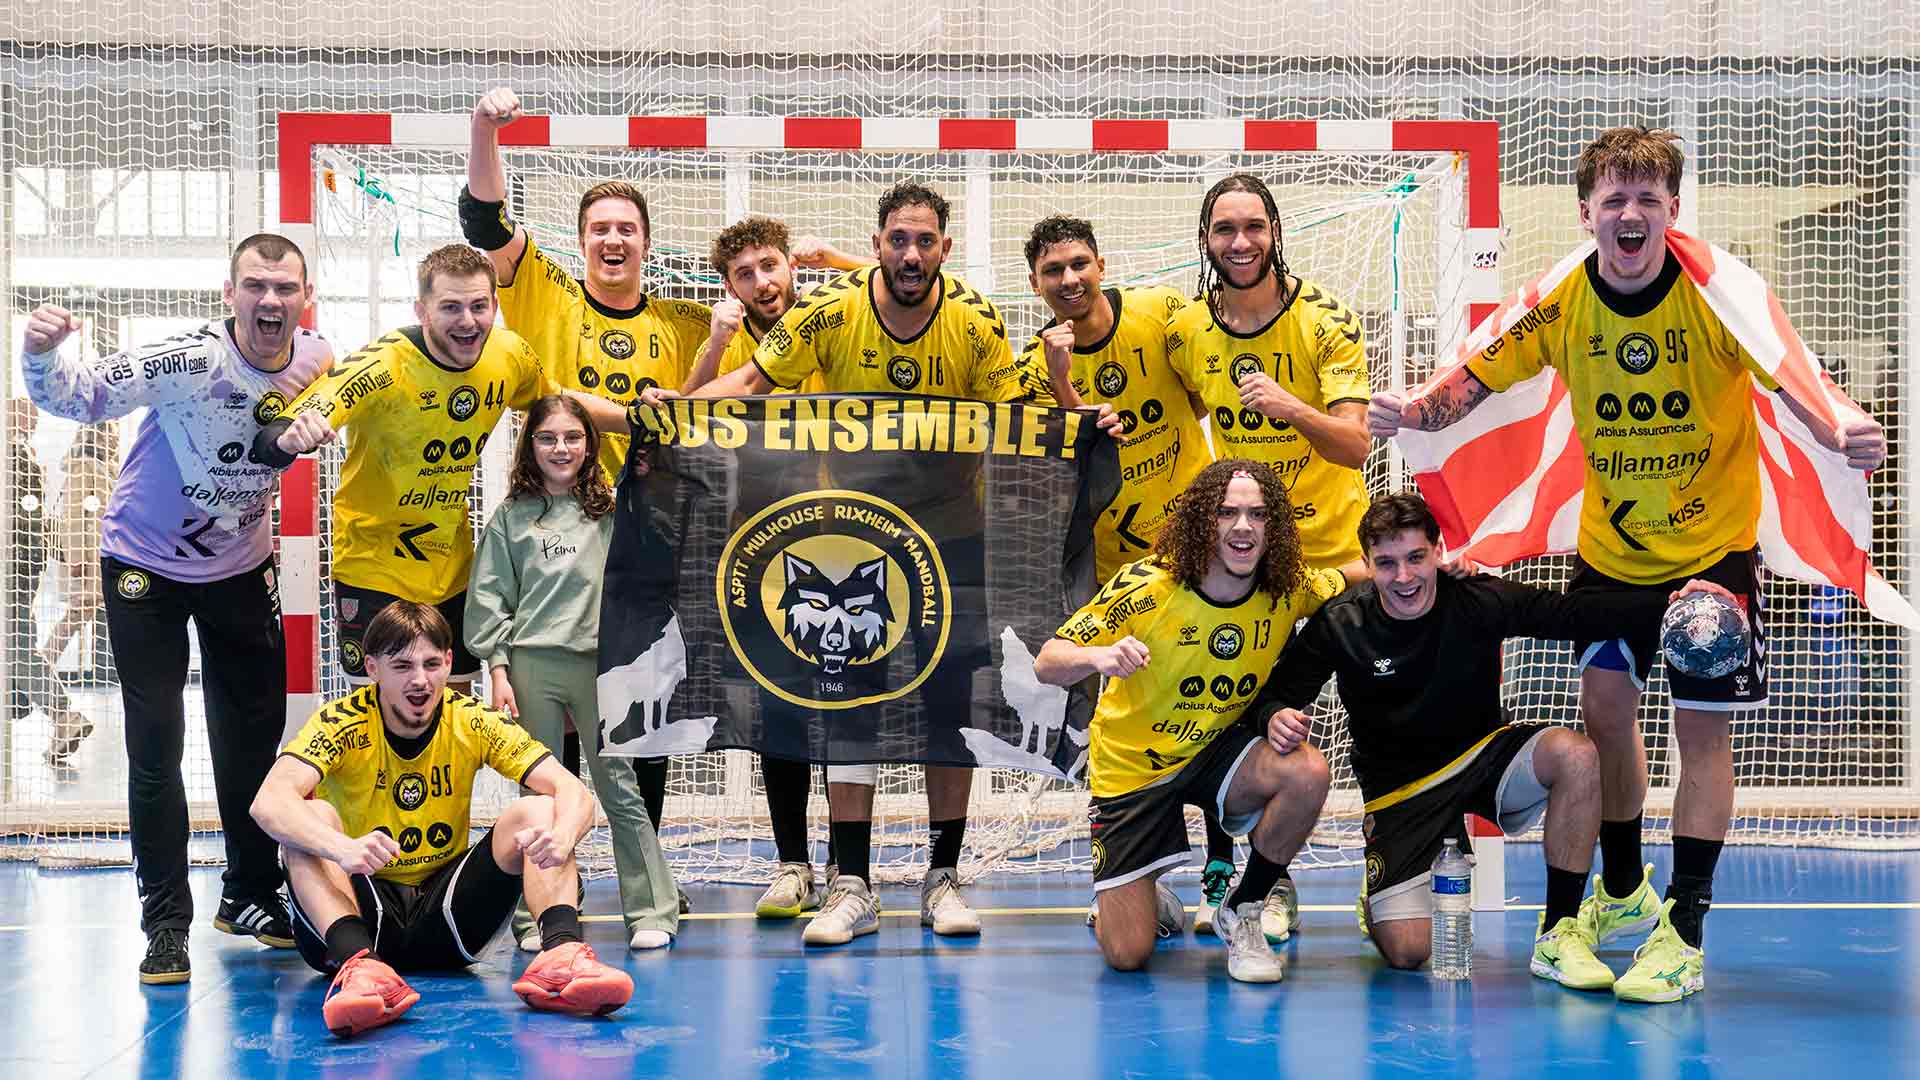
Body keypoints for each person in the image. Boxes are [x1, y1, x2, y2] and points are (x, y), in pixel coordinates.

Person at [1366, 126, 1888, 1002]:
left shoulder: (1716, 299)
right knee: (1605, 716)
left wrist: (1838, 429)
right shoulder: (1563, 301)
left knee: (1700, 736)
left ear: (1672, 211)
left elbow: (1788, 382)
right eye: (1615, 198)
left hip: (1710, 563)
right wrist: (1416, 409)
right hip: (1612, 557)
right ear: (1588, 215)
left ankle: (1683, 928)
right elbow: (1479, 379)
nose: (1632, 213)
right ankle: (1618, 890)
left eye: (1649, 198)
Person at [677, 181, 1075, 947]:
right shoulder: (829, 312)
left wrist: (1077, 421)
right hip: (853, 537)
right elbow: (756, 381)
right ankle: (852, 883)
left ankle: (944, 875)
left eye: (925, 241)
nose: (911, 254)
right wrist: (678, 409)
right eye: (898, 239)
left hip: (953, 540)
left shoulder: (973, 319)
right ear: (879, 241)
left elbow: (1013, 416)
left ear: (944, 250)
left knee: (949, 710)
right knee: (847, 706)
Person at [1253, 492, 1732, 990]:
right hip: (1402, 793)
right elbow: (1280, 692)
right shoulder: (1343, 622)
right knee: (1408, 952)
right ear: (1368, 566)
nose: (1404, 577)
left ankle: (1558, 932)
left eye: (1416, 558)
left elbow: (1572, 614)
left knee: (1577, 755)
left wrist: (1676, 601)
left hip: (1484, 761)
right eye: (1387, 564)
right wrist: (1274, 716)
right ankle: (1383, 887)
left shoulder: (1476, 599)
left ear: (1438, 552)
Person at [19, 233, 335, 984]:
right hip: (143, 569)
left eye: (285, 288)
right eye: (255, 285)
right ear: (230, 295)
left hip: (240, 570)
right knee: (155, 745)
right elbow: (78, 394)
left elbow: (342, 408)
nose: (270, 300)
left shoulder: (319, 361)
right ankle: (164, 923)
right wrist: (37, 353)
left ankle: (250, 895)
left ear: (304, 298)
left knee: (254, 739)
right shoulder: (188, 359)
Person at [250, 601, 632, 1037]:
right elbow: (268, 801)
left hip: (447, 919)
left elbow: (573, 791)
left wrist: (563, 836)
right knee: (310, 816)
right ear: (372, 668)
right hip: (359, 916)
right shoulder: (342, 722)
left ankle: (561, 954)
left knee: (541, 810)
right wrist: (344, 849)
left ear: (449, 663)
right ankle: (360, 968)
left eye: (433, 664)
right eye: (402, 666)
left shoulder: (468, 718)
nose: (420, 680)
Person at [1032, 458, 1345, 983]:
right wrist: (1100, 657)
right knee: (1126, 955)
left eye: (1257, 515)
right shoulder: (1149, 585)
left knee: (1307, 771)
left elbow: (1356, 577)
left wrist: (1442, 567)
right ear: (1204, 520)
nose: (1243, 527)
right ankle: (1145, 892)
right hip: (1135, 767)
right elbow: (1047, 661)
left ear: (1275, 528)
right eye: (1227, 513)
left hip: (1218, 751)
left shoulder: (1288, 586)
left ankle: (1242, 908)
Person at [1019, 215, 1245, 933]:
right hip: (1120, 578)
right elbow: (1051, 471)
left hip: (1200, 560)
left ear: (1101, 262)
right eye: (1053, 271)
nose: (1070, 280)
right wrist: (1063, 385)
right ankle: (1122, 875)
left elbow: (1213, 391)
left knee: (1221, 708)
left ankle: (1226, 869)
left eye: (1079, 264)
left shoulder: (1157, 314)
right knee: (1114, 728)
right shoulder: (1034, 367)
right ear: (1036, 285)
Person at [1166, 172, 1374, 942]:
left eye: (1254, 226)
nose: (1240, 242)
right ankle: (1249, 878)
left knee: (1343, 715)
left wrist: (1290, 407)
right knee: (1233, 711)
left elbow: (1357, 442)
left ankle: (1393, 861)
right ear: (1205, 241)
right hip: (1243, 558)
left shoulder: (1326, 322)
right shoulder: (1189, 327)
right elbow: (1182, 403)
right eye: (1225, 230)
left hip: (1333, 560)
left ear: (1277, 231)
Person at [254, 243, 555, 697]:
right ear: (423, 310)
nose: (468, 321)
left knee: (450, 720)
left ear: (494, 305)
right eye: (450, 307)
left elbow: (557, 408)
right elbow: (281, 431)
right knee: (382, 718)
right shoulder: (384, 364)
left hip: (452, 574)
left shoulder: (509, 355)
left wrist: (633, 418)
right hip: (374, 571)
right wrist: (288, 437)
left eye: (478, 306)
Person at [465, 395, 680, 951]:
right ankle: (540, 915)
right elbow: (490, 598)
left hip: (600, 668)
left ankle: (652, 909)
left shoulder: (611, 511)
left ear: (590, 445)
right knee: (540, 798)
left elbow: (649, 571)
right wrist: (498, 668)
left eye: (572, 437)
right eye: (547, 438)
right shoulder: (511, 517)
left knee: (620, 790)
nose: (561, 448)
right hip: (533, 665)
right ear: (529, 447)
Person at [4, 399, 90, 767]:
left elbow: (31, 522)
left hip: (14, 571)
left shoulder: (17, 459)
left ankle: (63, 715)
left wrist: (66, 555)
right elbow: (37, 522)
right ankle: (60, 717)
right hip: (23, 569)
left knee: (18, 648)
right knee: (18, 646)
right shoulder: (25, 459)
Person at [43, 423, 118, 690]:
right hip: (87, 563)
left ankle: (38, 672)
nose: (116, 438)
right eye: (112, 431)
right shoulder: (84, 466)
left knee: (79, 615)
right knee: (76, 615)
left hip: (100, 560)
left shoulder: (102, 467)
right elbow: (73, 516)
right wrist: (76, 560)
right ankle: (38, 672)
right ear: (96, 434)